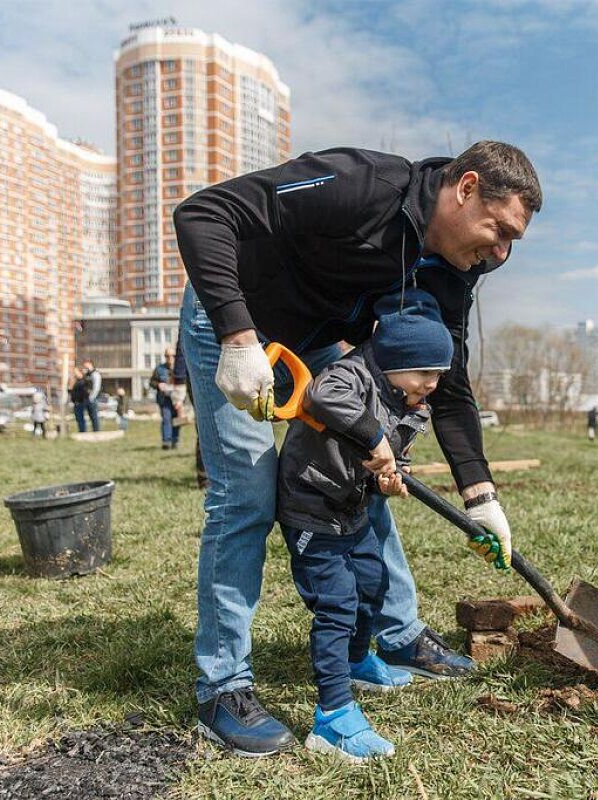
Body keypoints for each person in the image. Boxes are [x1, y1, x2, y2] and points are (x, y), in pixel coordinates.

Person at [175, 140, 539, 756]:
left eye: (512, 243)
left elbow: (445, 381)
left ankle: (394, 634)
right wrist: (237, 337)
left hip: (313, 344)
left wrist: (481, 495)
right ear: (467, 187)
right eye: (498, 231)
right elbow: (204, 214)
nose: (500, 252)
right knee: (248, 496)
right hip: (233, 319)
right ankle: (224, 685)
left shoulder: (458, 267)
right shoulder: (360, 185)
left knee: (364, 475)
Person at [276, 289, 488, 761]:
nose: (434, 383)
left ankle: (355, 661)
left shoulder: (411, 402)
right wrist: (373, 437)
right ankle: (331, 718)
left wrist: (387, 483)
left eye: (439, 374)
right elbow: (321, 395)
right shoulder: (350, 375)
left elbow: (386, 461)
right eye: (426, 373)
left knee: (373, 584)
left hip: (351, 508)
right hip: (312, 507)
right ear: (395, 360)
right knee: (337, 606)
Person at [172, 338, 208, 489]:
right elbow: (182, 343)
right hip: (199, 372)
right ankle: (205, 478)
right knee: (206, 427)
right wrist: (179, 380)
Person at [151, 348, 181, 450]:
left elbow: (185, 382)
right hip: (164, 399)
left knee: (176, 420)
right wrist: (158, 384)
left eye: (173, 356)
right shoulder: (159, 369)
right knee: (166, 418)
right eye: (168, 356)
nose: (170, 358)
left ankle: (175, 441)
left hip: (177, 399)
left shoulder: (179, 369)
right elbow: (152, 382)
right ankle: (166, 442)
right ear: (165, 357)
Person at [82, 359, 102, 432]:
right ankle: (94, 430)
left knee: (94, 416)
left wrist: (91, 397)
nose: (84, 366)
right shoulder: (88, 374)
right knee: (90, 416)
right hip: (87, 398)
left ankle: (96, 431)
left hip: (93, 398)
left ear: (90, 364)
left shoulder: (95, 374)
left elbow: (96, 387)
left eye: (86, 364)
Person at [69, 367, 91, 432]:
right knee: (78, 418)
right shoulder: (77, 381)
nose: (74, 374)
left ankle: (83, 431)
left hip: (80, 402)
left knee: (80, 417)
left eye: (75, 372)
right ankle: (81, 430)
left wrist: (79, 400)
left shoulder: (83, 381)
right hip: (76, 401)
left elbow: (83, 393)